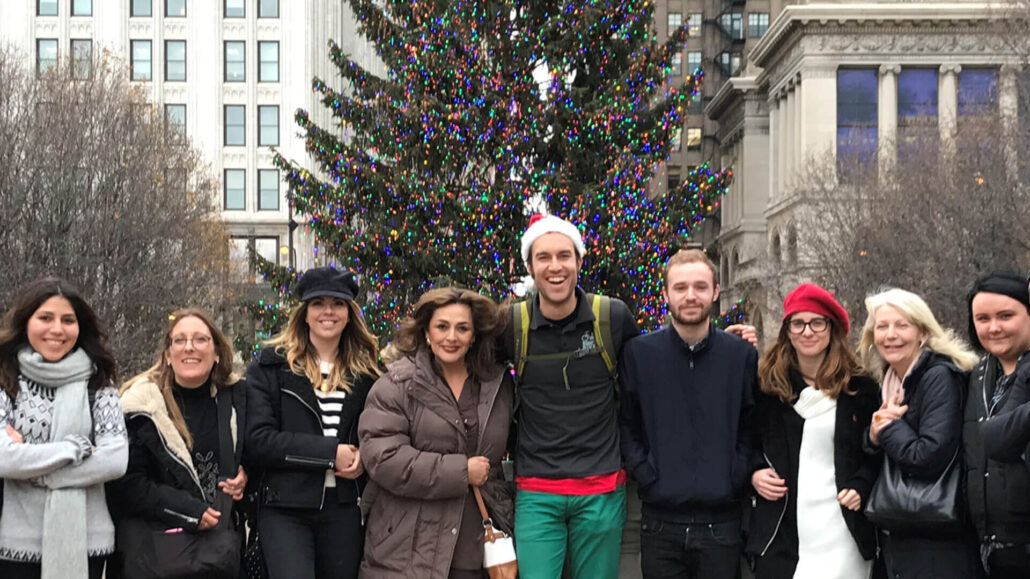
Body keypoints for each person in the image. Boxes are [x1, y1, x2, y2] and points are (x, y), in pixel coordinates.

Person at [505, 214, 640, 579]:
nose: (555, 267)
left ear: (580, 261)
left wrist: (730, 343)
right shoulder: (511, 325)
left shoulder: (611, 317)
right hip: (536, 491)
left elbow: (653, 367)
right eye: (543, 257)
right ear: (530, 267)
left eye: (564, 255)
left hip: (601, 487)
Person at [358, 287, 514, 578]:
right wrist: (460, 472)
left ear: (474, 335)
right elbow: (383, 457)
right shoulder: (397, 384)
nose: (451, 337)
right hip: (409, 549)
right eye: (442, 326)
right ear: (426, 332)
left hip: (479, 545)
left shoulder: (497, 384)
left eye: (462, 328)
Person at [619, 249, 755, 579]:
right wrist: (646, 472)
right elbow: (627, 423)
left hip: (721, 523)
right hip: (660, 522)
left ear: (715, 292)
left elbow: (751, 425)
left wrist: (735, 474)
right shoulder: (640, 354)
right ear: (665, 294)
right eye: (680, 288)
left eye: (700, 286)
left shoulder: (739, 356)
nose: (690, 296)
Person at [246, 267, 380, 579]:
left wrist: (365, 458)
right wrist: (329, 453)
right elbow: (259, 440)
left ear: (349, 313)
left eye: (338, 303)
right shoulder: (271, 367)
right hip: (285, 506)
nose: (328, 311)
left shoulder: (368, 373)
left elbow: (379, 435)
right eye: (318, 303)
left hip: (346, 507)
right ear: (304, 313)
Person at [747, 283, 880, 578]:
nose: (807, 332)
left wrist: (861, 483)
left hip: (842, 525)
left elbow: (876, 451)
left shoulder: (860, 388)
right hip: (783, 528)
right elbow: (744, 441)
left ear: (831, 328)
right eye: (798, 323)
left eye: (817, 322)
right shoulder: (766, 386)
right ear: (787, 331)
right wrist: (754, 471)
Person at [0, 277, 128, 579]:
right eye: (45, 317)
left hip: (88, 544)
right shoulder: (6, 382)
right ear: (25, 322)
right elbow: (4, 458)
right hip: (14, 546)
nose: (57, 329)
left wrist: (33, 467)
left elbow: (114, 460)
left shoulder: (99, 387)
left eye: (68, 320)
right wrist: (76, 448)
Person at [107, 308, 248, 578]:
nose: (189, 348)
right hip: (152, 554)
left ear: (217, 352)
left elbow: (257, 449)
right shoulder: (139, 407)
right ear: (167, 355)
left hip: (216, 556)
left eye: (200, 339)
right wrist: (188, 511)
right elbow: (126, 484)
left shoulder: (238, 400)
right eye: (180, 340)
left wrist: (246, 475)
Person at [859, 287, 981, 578]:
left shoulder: (939, 376)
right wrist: (874, 435)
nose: (891, 334)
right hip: (906, 530)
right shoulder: (889, 381)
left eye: (902, 325)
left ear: (922, 333)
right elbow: (883, 442)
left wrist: (887, 427)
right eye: (882, 326)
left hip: (940, 539)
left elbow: (929, 455)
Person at [962, 272, 1030, 577]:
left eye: (1006, 316)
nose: (994, 327)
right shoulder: (973, 377)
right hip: (985, 551)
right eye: (983, 318)